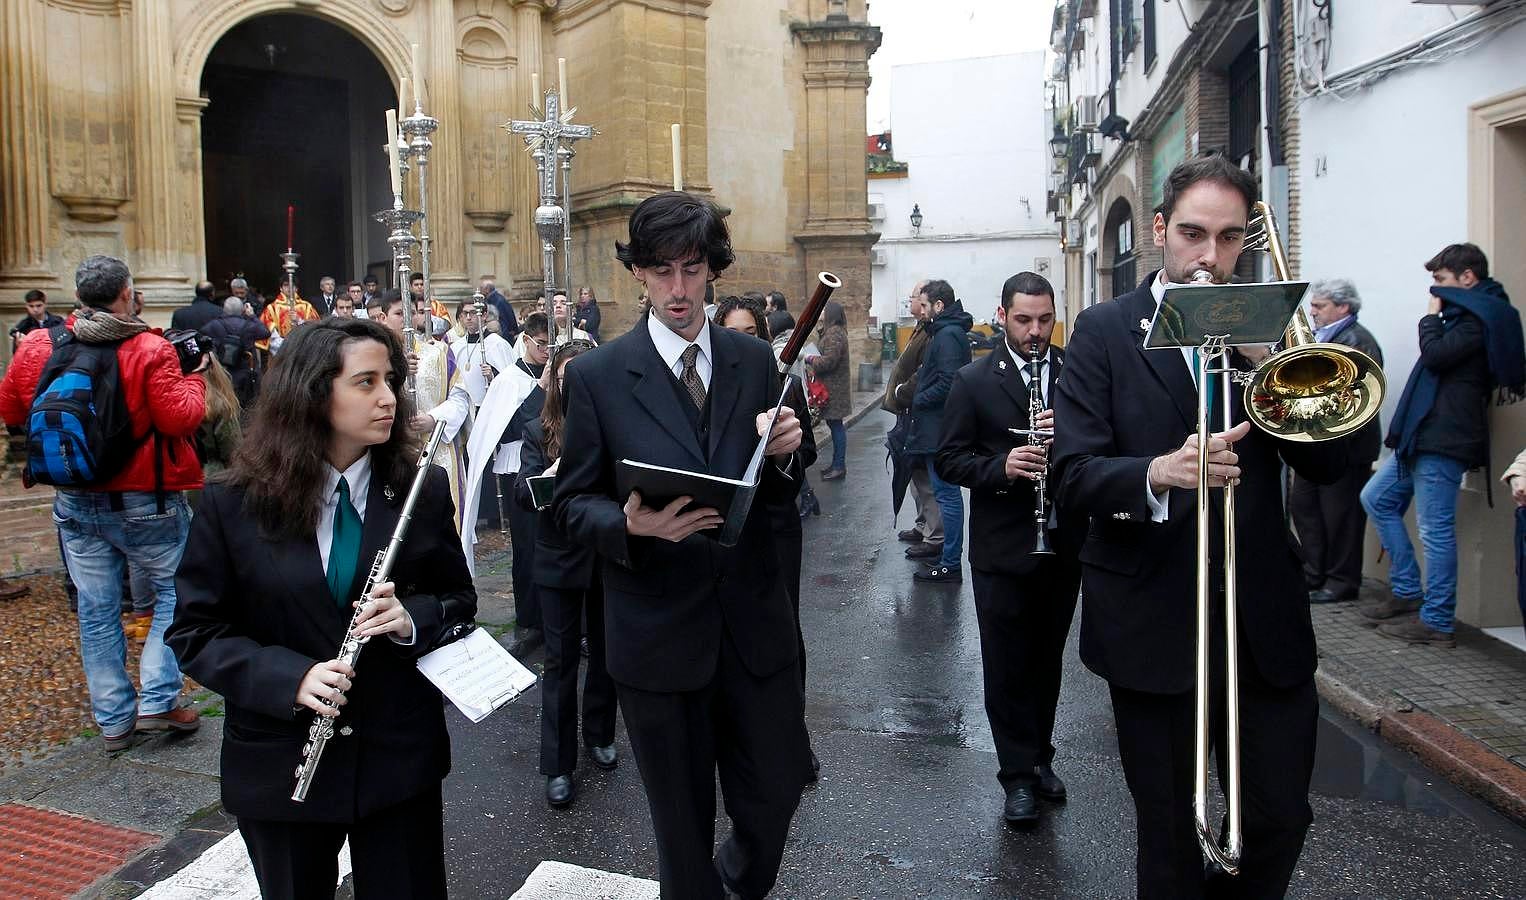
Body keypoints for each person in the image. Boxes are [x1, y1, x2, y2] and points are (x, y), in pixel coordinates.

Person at [1051, 154, 1350, 898]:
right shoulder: (1103, 330)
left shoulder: (1273, 327)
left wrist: (1277, 362)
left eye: (1226, 237)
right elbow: (1071, 474)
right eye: (1191, 233)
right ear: (1159, 231)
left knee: (1281, 817)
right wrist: (1156, 472)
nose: (1208, 256)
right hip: (1151, 622)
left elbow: (1333, 467)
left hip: (1262, 624)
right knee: (1171, 836)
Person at [554, 191, 808, 899]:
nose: (677, 289)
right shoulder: (600, 377)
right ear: (638, 273)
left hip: (754, 633)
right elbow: (570, 505)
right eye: (661, 271)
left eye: (692, 270)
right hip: (657, 638)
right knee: (681, 829)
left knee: (775, 797)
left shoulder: (755, 359)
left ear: (712, 271)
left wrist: (788, 450)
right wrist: (630, 526)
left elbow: (785, 488)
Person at [168, 316, 475, 899]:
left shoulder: (421, 488)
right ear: (313, 392)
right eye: (366, 383)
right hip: (281, 765)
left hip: (396, 760)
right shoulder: (233, 503)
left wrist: (413, 620)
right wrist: (292, 676)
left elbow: (459, 600)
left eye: (392, 380)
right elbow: (196, 631)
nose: (389, 399)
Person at [0, 255, 209, 752]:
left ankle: (114, 721)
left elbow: (10, 407)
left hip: (75, 500)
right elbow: (180, 418)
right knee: (175, 595)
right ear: (126, 294)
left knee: (96, 611)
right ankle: (159, 701)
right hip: (146, 500)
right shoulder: (149, 348)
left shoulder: (36, 345)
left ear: (77, 297)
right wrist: (196, 377)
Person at [936, 271, 1080, 827]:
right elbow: (950, 458)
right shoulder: (974, 380)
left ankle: (1041, 758)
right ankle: (1016, 775)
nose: (1036, 332)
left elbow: (1100, 444)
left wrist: (1064, 439)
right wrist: (1003, 467)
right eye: (1023, 320)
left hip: (1061, 543)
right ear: (1002, 316)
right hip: (1001, 549)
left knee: (1047, 663)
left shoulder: (1074, 373)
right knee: (1006, 665)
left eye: (1045, 320)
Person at [1361, 243, 1524, 646]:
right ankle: (1407, 590)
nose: (1435, 290)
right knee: (1376, 498)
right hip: (1423, 434)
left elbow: (1435, 356)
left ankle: (1436, 621)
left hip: (1445, 437)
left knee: (1435, 531)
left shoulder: (1476, 320)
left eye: (1441, 280)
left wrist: (1431, 317)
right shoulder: (1464, 315)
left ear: (1467, 277)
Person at [715, 293, 821, 780]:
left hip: (776, 527)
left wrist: (783, 449)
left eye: (750, 335)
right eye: (730, 335)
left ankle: (792, 739)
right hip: (723, 533)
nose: (741, 344)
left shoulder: (785, 386)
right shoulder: (707, 387)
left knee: (785, 633)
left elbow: (806, 461)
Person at [513, 340, 619, 809]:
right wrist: (552, 476)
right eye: (563, 375)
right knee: (559, 662)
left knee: (604, 650)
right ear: (554, 381)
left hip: (601, 557)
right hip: (557, 558)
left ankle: (599, 733)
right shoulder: (539, 430)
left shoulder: (611, 425)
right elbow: (521, 493)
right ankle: (558, 764)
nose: (572, 383)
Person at [1290, 279, 1385, 604]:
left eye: (1320, 306)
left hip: (1345, 448)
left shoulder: (1357, 340)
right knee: (1305, 509)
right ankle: (1314, 573)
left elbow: (1354, 396)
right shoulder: (1325, 336)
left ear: (1343, 307)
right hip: (1314, 443)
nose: (1312, 312)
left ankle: (1342, 581)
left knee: (1340, 517)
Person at [905, 279, 971, 584]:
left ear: (939, 306)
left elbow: (949, 382)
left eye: (925, 303)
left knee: (947, 494)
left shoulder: (947, 336)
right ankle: (945, 555)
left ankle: (949, 562)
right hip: (937, 427)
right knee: (945, 493)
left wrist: (919, 398)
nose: (922, 308)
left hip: (939, 429)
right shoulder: (945, 332)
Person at [886, 281, 942, 556]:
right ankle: (923, 526)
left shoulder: (933, 332)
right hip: (908, 409)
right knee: (914, 476)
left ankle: (934, 535)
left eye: (915, 297)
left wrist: (903, 391)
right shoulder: (922, 327)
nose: (912, 302)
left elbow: (924, 373)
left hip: (916, 411)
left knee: (924, 477)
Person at [806, 301, 851, 480]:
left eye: (823, 309)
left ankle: (839, 466)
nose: (821, 311)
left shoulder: (835, 333)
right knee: (834, 426)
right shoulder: (831, 331)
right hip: (831, 387)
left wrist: (810, 358)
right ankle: (836, 464)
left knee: (837, 427)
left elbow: (829, 361)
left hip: (834, 389)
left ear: (831, 313)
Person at [203, 296, 271, 410]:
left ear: (224, 309)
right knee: (246, 404)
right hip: (245, 371)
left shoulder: (214, 325)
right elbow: (265, 333)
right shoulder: (249, 325)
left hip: (223, 371)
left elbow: (202, 334)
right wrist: (252, 316)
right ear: (243, 310)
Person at [479, 277, 519, 342]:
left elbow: (510, 316)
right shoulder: (490, 300)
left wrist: (514, 331)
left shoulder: (499, 301)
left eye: (481, 288)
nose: (480, 291)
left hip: (503, 334)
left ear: (487, 289)